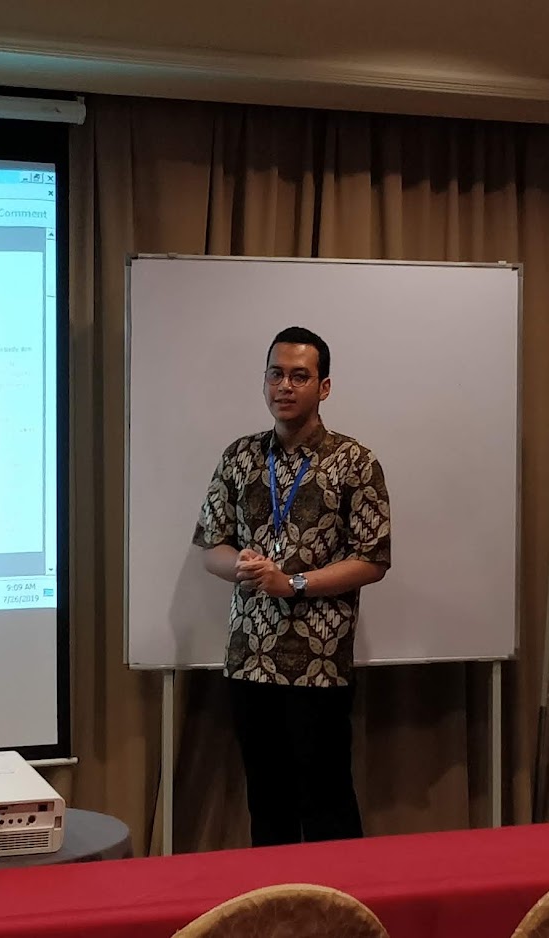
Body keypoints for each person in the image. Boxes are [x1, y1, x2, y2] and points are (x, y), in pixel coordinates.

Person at [192, 325, 392, 847]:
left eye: (299, 376)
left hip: (317, 665)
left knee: (327, 803)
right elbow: (211, 547)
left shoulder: (355, 462)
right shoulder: (240, 457)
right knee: (266, 804)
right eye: (275, 374)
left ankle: (340, 898)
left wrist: (293, 582)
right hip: (249, 660)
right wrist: (240, 565)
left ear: (323, 387)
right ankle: (275, 898)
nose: (285, 386)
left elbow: (373, 559)